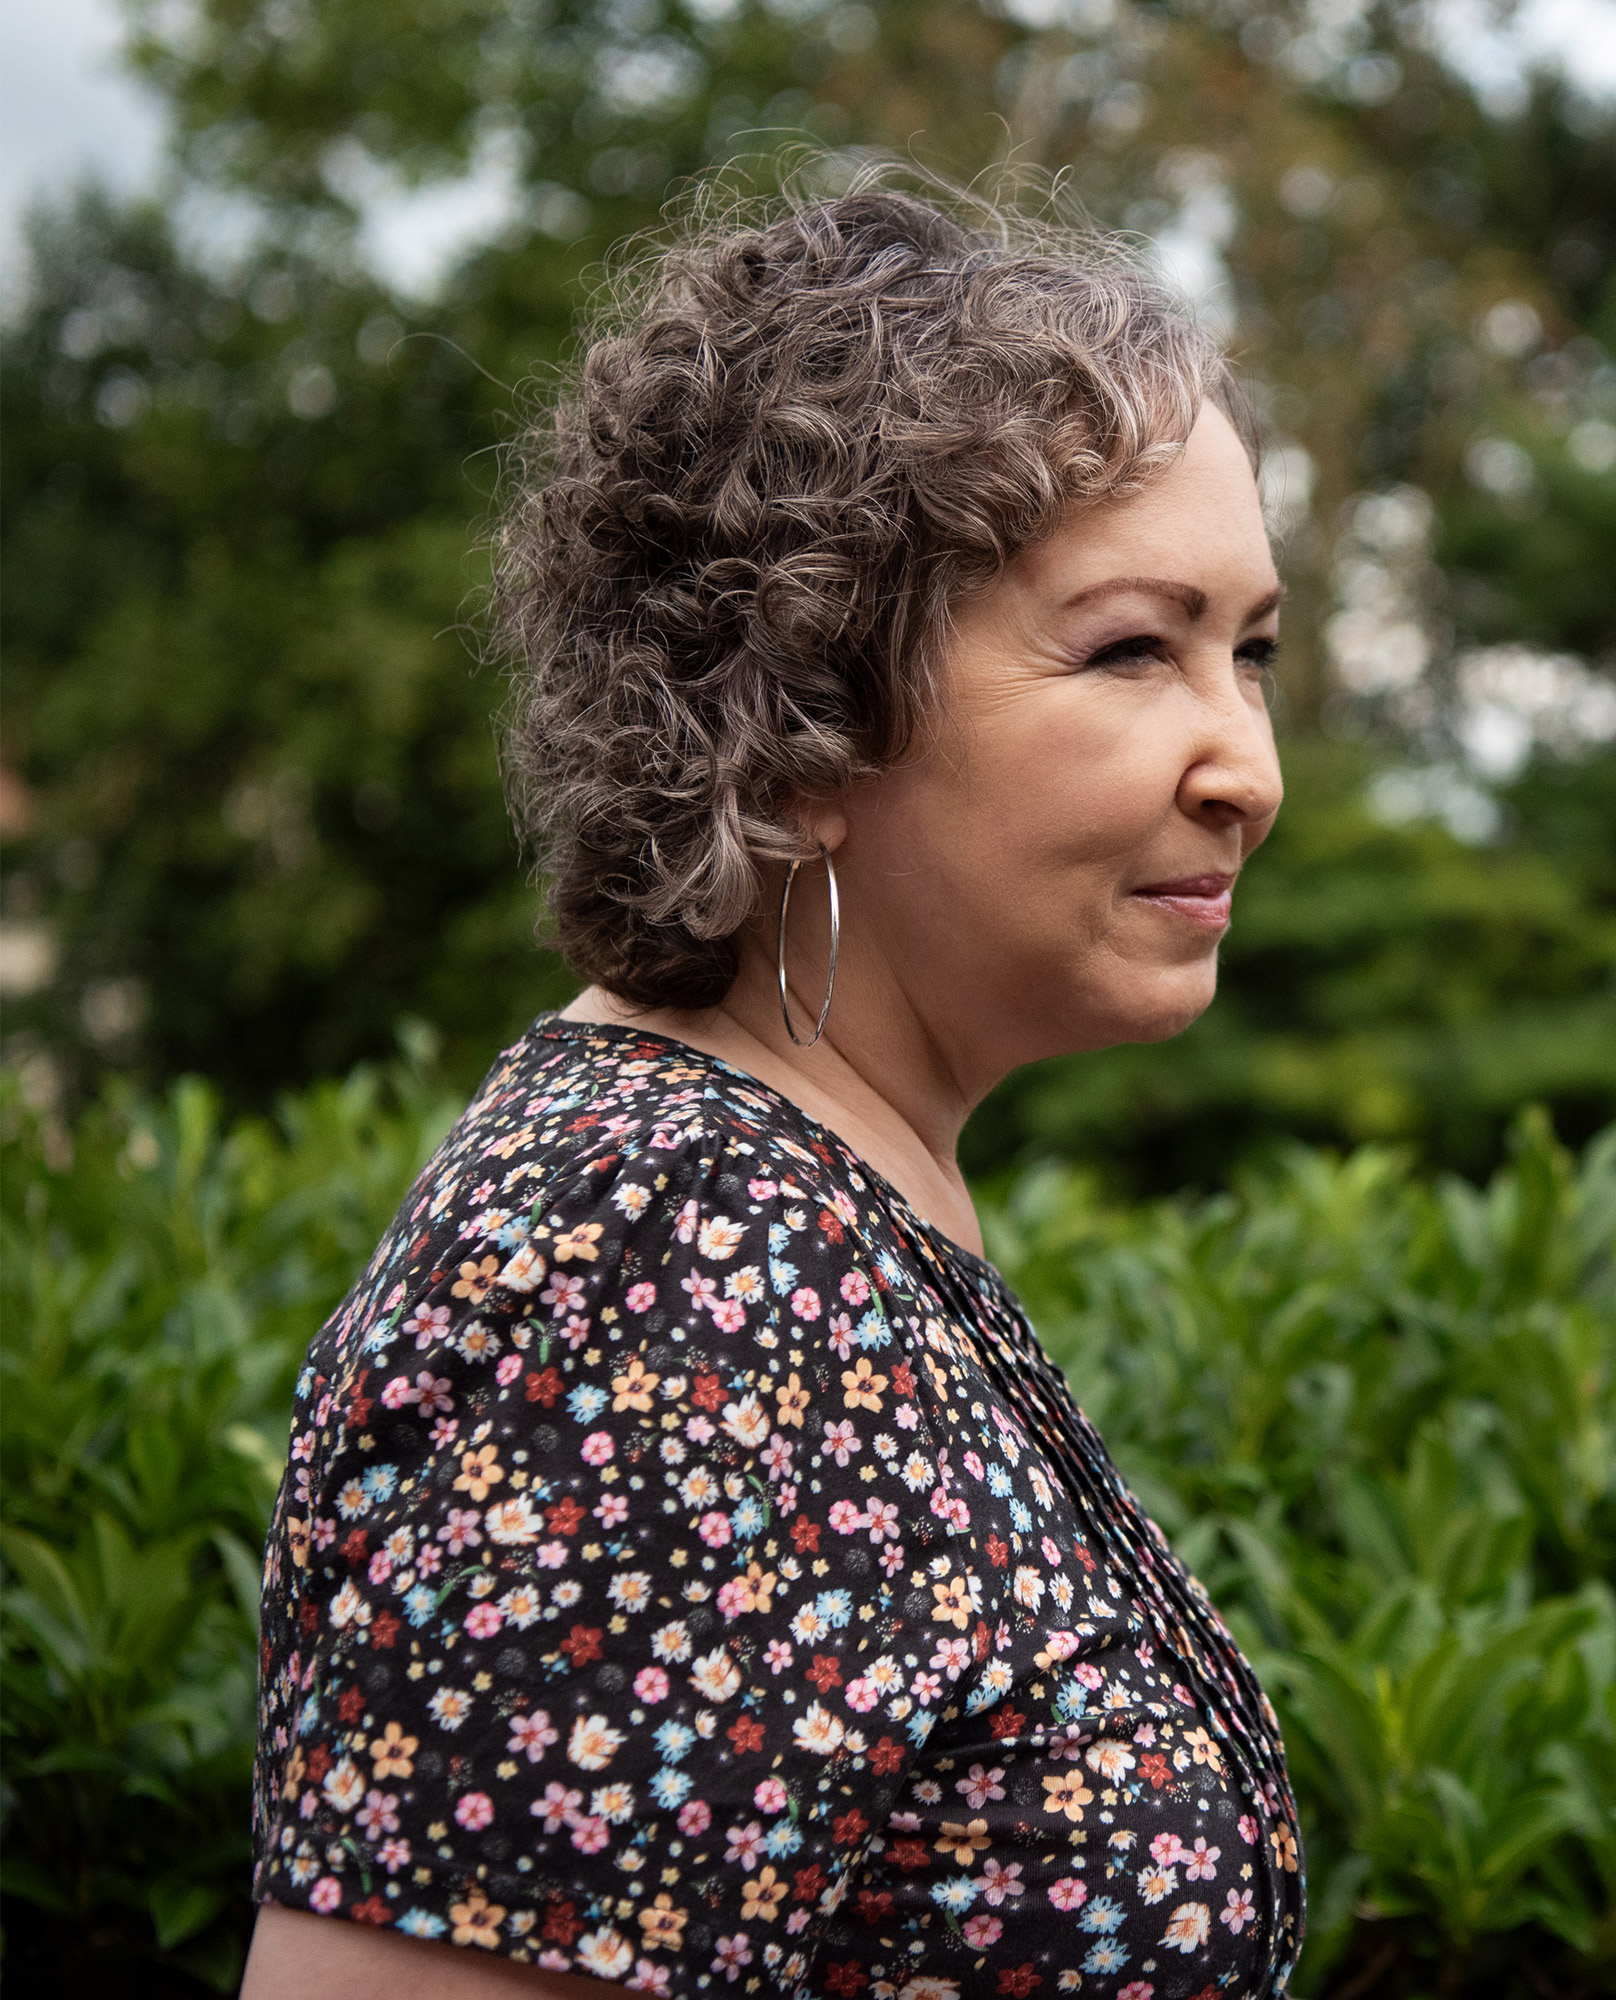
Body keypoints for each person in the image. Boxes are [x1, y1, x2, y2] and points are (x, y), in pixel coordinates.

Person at [240, 176, 1302, 1998]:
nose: (1250, 767)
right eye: (1137, 647)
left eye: (1253, 652)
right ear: (795, 725)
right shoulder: (655, 1268)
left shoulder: (814, 1215)